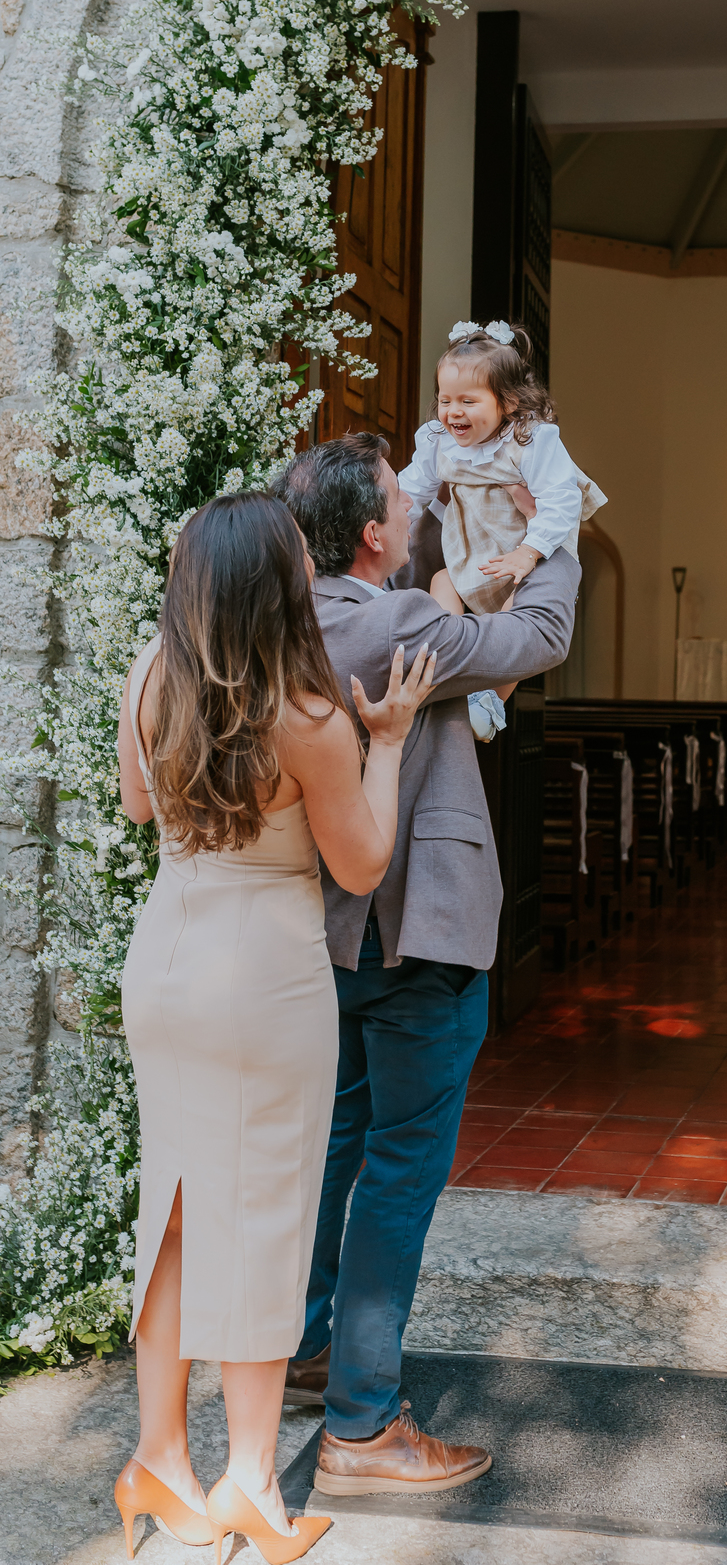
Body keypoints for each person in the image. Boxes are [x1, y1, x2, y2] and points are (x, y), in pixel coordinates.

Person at [113, 492, 436, 1563]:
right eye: (300, 561)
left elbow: (139, 807)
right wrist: (385, 744)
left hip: (165, 958)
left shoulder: (150, 678)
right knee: (262, 1219)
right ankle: (251, 1480)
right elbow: (363, 866)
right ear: (276, 583)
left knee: (176, 1210)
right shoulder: (306, 718)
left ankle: (160, 1455)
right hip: (262, 977)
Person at [272, 430, 579, 1495]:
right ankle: (363, 1422)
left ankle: (312, 1349)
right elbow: (541, 634)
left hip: (325, 931)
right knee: (401, 1167)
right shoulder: (391, 624)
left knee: (342, 1140)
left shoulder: (281, 617)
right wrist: (558, 520)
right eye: (400, 505)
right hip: (416, 930)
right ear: (368, 534)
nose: (413, 514)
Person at [399, 318, 606, 618]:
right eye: (445, 400)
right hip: (469, 564)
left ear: (508, 401)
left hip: (525, 561)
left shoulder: (528, 441)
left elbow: (561, 499)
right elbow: (411, 491)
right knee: (441, 580)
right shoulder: (439, 443)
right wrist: (387, 521)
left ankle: (493, 646)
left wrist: (529, 552)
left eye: (468, 401)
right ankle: (448, 647)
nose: (453, 411)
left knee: (514, 618)